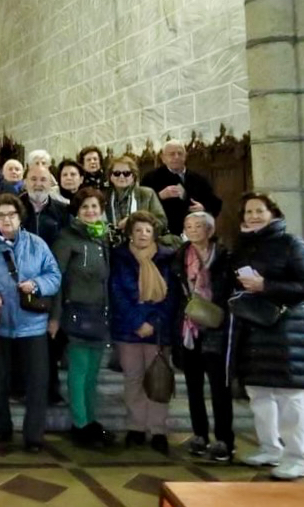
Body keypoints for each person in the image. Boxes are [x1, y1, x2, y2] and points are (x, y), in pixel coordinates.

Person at [0, 193, 61, 452]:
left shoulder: (37, 244)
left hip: (31, 325)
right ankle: (0, 429)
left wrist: (36, 284)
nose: (6, 220)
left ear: (19, 216)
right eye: (1, 215)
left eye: (11, 214)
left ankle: (34, 436)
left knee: (37, 382)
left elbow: (54, 275)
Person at [230, 193, 304, 480]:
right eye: (248, 212)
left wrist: (266, 285)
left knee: (289, 397)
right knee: (259, 394)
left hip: (285, 330)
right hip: (252, 328)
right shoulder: (242, 248)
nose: (253, 216)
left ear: (273, 213)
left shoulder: (291, 243)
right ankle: (270, 447)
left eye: (259, 211)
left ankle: (297, 456)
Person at [49, 188, 116, 447]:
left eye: (95, 207)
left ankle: (92, 420)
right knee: (79, 371)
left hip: (99, 312)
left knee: (93, 374)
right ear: (77, 211)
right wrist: (55, 317)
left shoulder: (103, 238)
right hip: (76, 311)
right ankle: (80, 424)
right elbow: (58, 279)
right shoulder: (67, 238)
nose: (90, 211)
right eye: (85, 207)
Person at [110, 210, 178, 455]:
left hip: (158, 331)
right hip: (128, 329)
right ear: (130, 233)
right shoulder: (120, 257)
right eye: (138, 230)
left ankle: (158, 430)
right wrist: (138, 322)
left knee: (158, 381)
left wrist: (153, 322)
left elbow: (171, 296)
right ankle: (136, 427)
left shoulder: (166, 258)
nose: (143, 234)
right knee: (134, 379)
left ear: (154, 234)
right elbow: (117, 292)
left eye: (147, 231)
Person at [172, 211, 234, 462]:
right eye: (189, 225)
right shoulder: (179, 256)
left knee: (220, 387)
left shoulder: (224, 256)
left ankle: (224, 439)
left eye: (199, 225)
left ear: (210, 229)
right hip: (189, 326)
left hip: (216, 325)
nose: (194, 229)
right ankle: (199, 434)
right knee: (194, 386)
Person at [141, 140, 222, 236]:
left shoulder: (198, 178)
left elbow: (215, 203)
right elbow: (141, 207)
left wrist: (203, 207)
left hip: (196, 233)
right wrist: (159, 196)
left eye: (180, 153)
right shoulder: (151, 178)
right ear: (163, 158)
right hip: (166, 234)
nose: (176, 157)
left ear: (185, 156)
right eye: (171, 154)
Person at [106, 155, 168, 243]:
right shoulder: (104, 197)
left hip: (142, 245)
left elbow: (162, 222)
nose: (121, 177)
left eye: (126, 173)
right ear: (110, 176)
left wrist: (134, 220)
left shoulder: (146, 194)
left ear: (133, 176)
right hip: (112, 247)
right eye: (117, 173)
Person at [20, 165, 69, 248]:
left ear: (50, 184)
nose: (38, 184)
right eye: (33, 179)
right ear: (25, 183)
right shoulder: (14, 209)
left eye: (43, 180)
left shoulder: (63, 211)